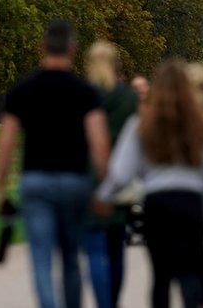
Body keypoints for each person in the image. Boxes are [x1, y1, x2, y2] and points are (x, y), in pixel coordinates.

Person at [0, 20, 110, 308]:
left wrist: (1, 188)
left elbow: (6, 143)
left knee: (42, 260)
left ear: (42, 47)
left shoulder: (22, 90)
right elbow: (99, 145)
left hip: (36, 181)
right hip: (74, 182)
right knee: (71, 259)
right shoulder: (85, 92)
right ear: (72, 50)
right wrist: (102, 189)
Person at [97, 59, 203, 308]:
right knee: (190, 271)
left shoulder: (142, 124)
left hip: (157, 203)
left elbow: (121, 172)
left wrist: (102, 196)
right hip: (191, 200)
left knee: (161, 276)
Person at [83, 41, 137, 308]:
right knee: (117, 245)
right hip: (121, 173)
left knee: (94, 247)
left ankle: (103, 302)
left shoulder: (86, 94)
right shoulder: (128, 97)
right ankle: (113, 300)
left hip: (90, 173)